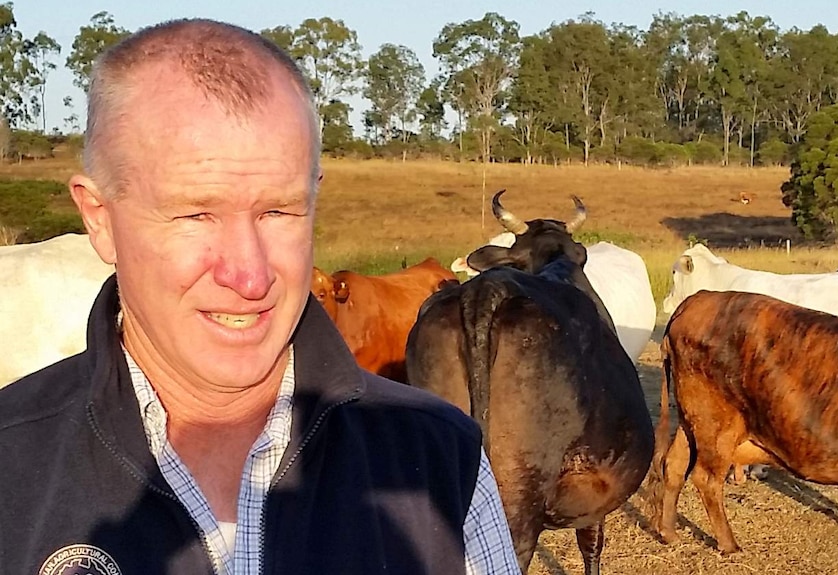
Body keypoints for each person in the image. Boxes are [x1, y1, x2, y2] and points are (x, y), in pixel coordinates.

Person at [0, 19, 520, 575]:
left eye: (279, 211)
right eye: (196, 213)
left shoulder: (441, 458)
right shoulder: (13, 466)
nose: (249, 277)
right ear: (99, 219)